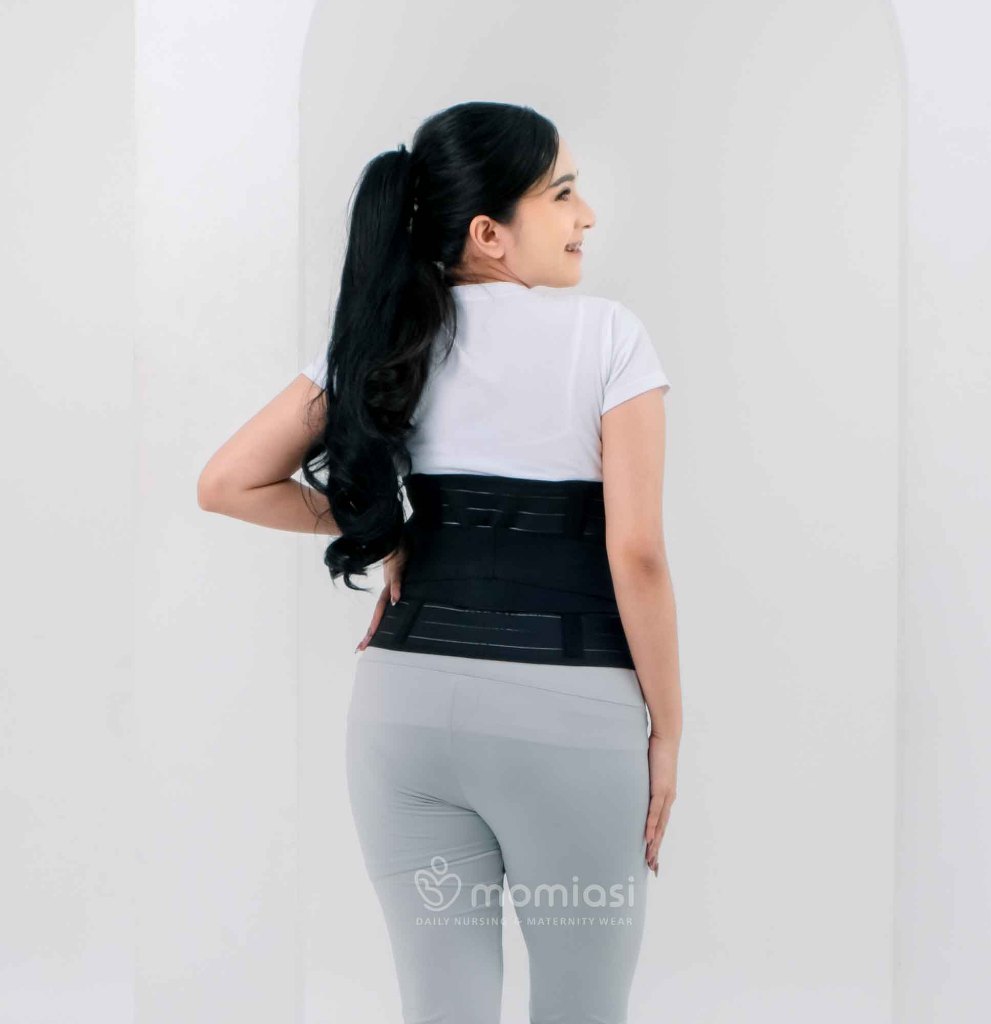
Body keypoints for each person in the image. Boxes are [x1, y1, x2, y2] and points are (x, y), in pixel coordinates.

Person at [197, 100, 682, 1024]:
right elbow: (638, 553)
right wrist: (668, 729)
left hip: (403, 715)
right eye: (563, 194)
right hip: (568, 716)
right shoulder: (609, 337)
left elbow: (226, 482)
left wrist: (392, 529)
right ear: (490, 233)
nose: (585, 217)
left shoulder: (384, 342)